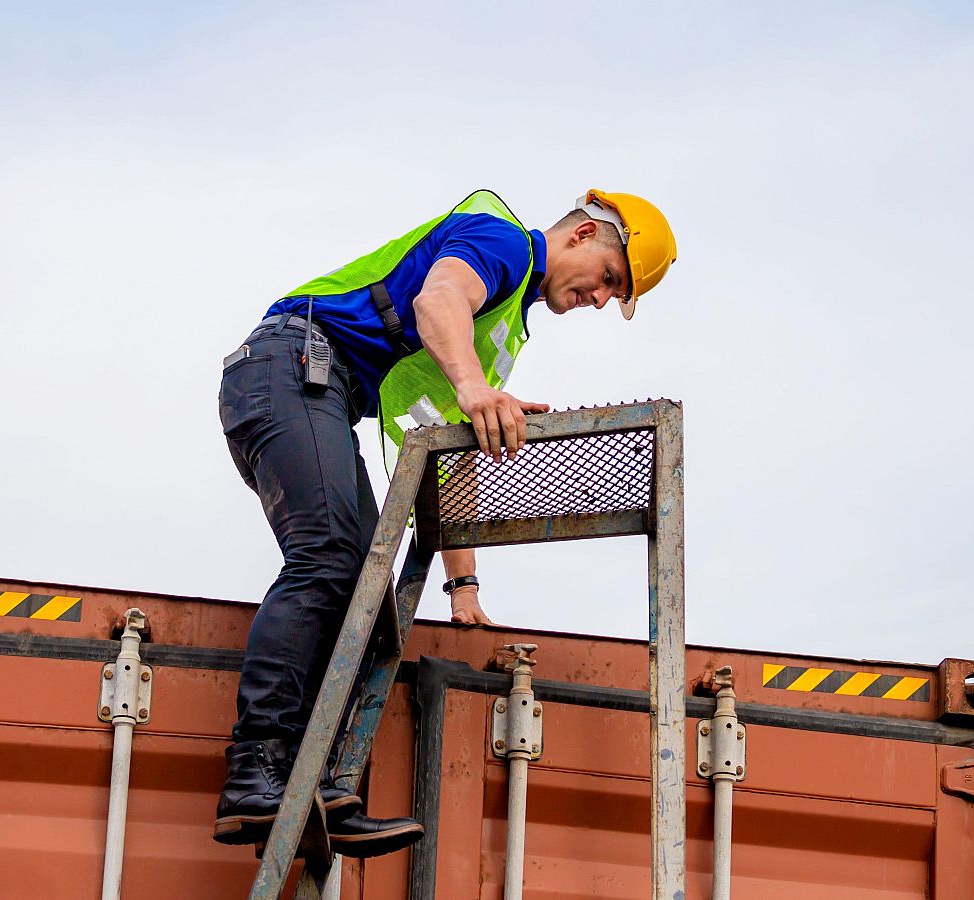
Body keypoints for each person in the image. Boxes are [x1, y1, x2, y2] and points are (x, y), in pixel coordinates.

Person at [212, 189, 676, 858]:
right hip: (290, 367)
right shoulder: (505, 243)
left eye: (614, 294)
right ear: (580, 237)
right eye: (609, 277)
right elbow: (437, 302)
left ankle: (318, 785)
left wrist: (464, 591)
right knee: (331, 559)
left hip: (316, 391)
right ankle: (256, 771)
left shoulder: (498, 323)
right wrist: (473, 387)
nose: (601, 299)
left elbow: (450, 452)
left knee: (369, 602)